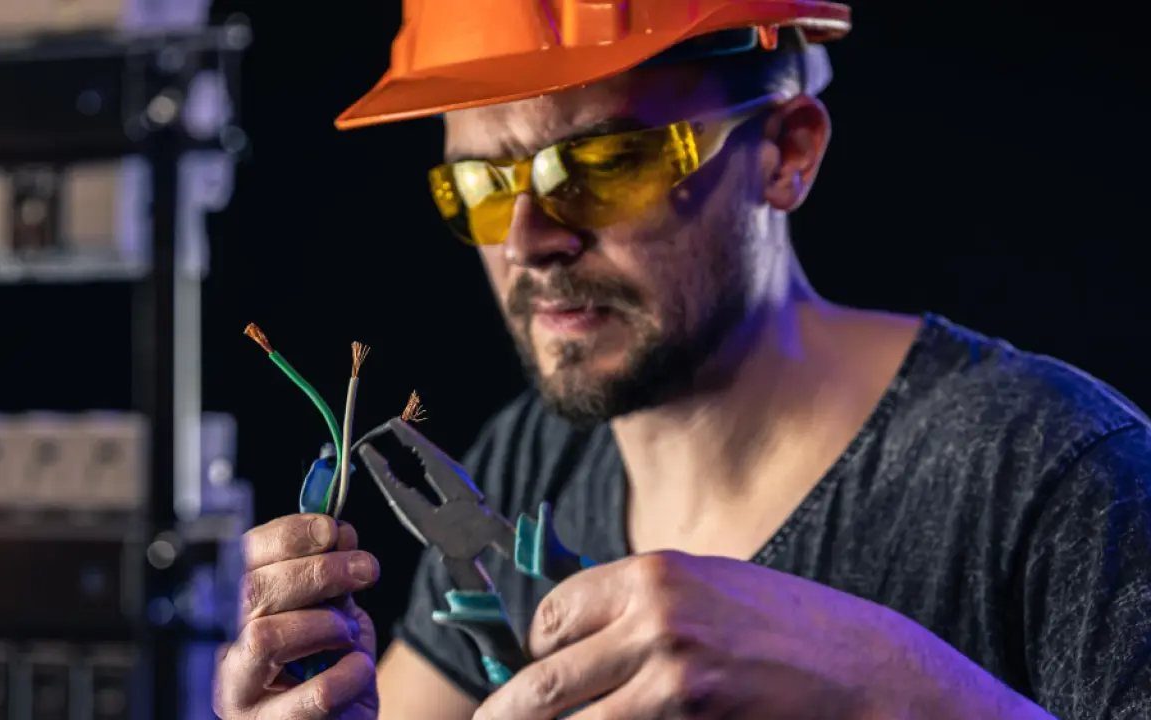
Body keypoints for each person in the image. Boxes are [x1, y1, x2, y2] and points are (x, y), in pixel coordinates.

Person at [214, 2, 1151, 718]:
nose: (529, 240)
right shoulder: (527, 465)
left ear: (785, 152)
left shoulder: (1057, 471)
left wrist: (895, 690)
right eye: (482, 185)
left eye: (605, 163)